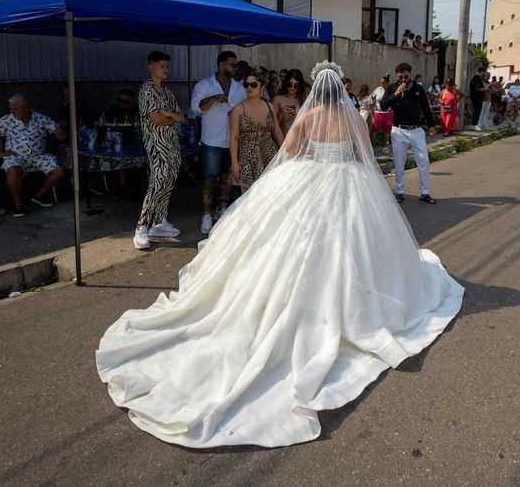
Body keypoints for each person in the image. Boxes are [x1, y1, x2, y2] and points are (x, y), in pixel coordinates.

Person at [96, 61, 464, 448]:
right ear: (339, 89)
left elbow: (289, 152)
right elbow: (364, 154)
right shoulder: (354, 117)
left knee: (294, 249)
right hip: (349, 182)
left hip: (308, 179)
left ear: (314, 92)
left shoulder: (308, 116)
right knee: (350, 248)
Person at [132, 51, 187, 251]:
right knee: (157, 182)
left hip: (172, 143)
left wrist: (169, 115)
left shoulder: (168, 92)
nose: (166, 69)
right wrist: (169, 117)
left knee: (169, 180)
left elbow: (181, 117)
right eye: (162, 65)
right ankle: (141, 227)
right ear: (151, 67)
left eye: (166, 65)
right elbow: (156, 119)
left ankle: (159, 221)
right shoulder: (147, 89)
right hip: (156, 144)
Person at [190, 51, 247, 236]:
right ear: (221, 64)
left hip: (232, 140)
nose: (234, 67)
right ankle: (207, 215)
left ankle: (222, 211)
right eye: (231, 64)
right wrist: (214, 98)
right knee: (209, 177)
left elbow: (245, 111)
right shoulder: (205, 84)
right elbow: (195, 107)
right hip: (211, 140)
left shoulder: (240, 88)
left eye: (235, 64)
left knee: (226, 177)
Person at [0, 94, 66, 217]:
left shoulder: (40, 118)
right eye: (11, 108)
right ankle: (18, 205)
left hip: (38, 155)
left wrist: (58, 131)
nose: (11, 111)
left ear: (25, 108)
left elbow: (56, 128)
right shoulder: (6, 120)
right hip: (16, 155)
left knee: (60, 170)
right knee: (12, 170)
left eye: (15, 109)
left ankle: (37, 196)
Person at [381, 62, 438, 204]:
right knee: (400, 163)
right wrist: (395, 94)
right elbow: (383, 105)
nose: (403, 78)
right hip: (399, 131)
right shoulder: (392, 88)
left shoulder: (418, 88)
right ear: (397, 75)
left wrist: (431, 125)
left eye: (405, 76)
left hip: (417, 131)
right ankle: (400, 192)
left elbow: (425, 107)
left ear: (410, 74)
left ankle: (425, 193)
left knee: (423, 161)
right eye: (400, 76)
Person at [230, 70, 283, 193]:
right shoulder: (237, 109)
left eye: (253, 85)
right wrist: (234, 163)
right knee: (248, 198)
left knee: (270, 195)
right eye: (246, 85)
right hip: (247, 158)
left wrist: (283, 155)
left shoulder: (270, 107)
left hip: (269, 155)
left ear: (262, 87)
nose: (249, 88)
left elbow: (277, 132)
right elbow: (233, 137)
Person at [273, 69, 305, 138]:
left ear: (300, 86)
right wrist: (281, 114)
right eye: (290, 84)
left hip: (299, 140)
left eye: (296, 85)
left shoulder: (304, 101)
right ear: (286, 83)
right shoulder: (277, 99)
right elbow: (272, 128)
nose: (292, 88)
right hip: (283, 140)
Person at [370, 75, 392, 154]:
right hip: (378, 113)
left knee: (387, 131)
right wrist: (372, 105)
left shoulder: (391, 90)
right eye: (381, 83)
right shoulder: (377, 90)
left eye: (383, 83)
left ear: (387, 83)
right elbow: (371, 97)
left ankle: (384, 147)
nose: (381, 84)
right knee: (374, 130)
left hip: (388, 113)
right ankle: (371, 147)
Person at [468, 67, 487, 131]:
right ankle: (474, 125)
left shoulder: (478, 78)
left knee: (477, 111)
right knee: (477, 111)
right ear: (481, 72)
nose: (484, 73)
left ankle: (474, 124)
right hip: (476, 97)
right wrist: (486, 88)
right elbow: (478, 88)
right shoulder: (476, 78)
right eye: (484, 72)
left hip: (478, 97)